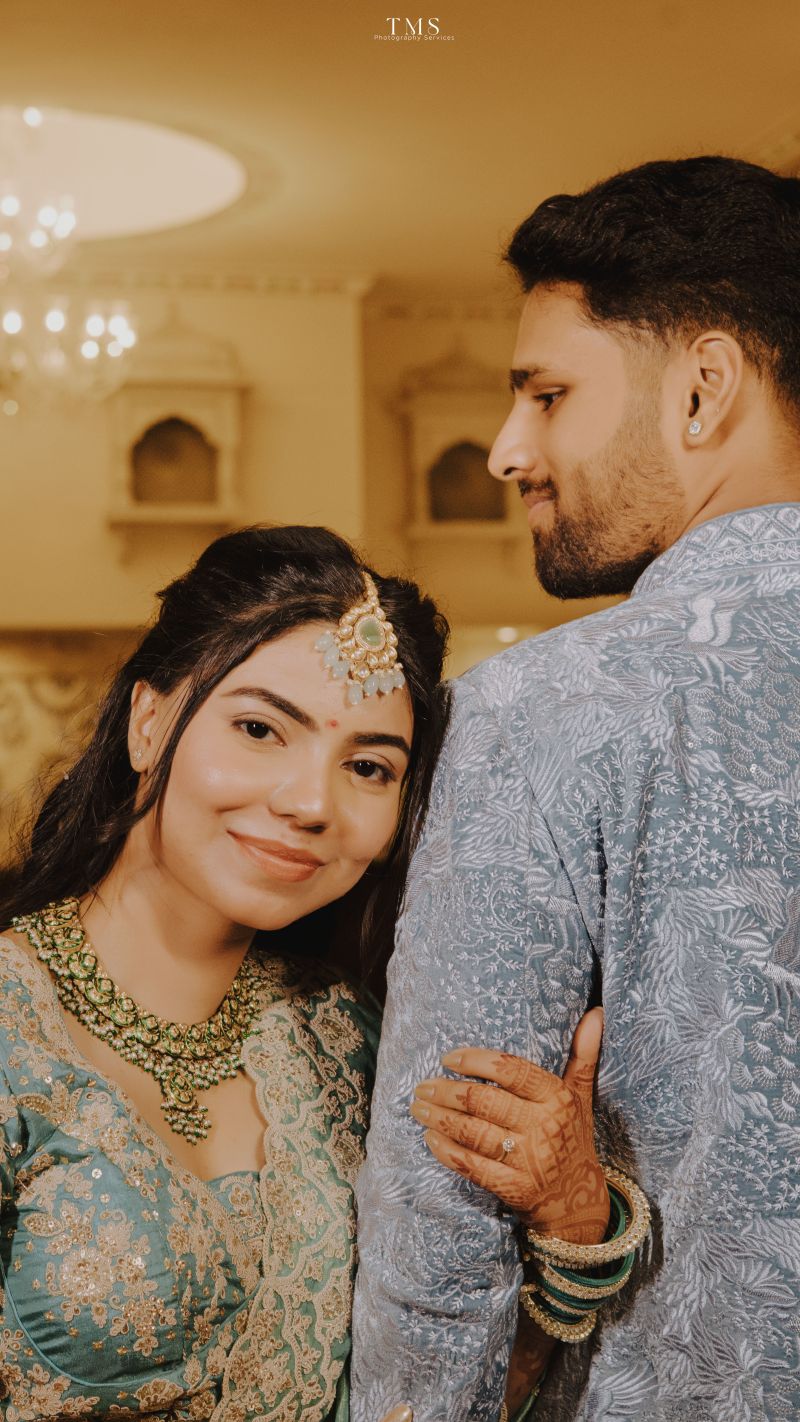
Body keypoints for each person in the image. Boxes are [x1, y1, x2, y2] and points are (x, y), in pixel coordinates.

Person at [351, 156, 800, 1422]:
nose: (506, 449)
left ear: (702, 389)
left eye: (546, 394)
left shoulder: (548, 709)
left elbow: (445, 1197)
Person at [0, 524, 611, 1421]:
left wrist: (571, 1226)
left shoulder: (351, 1039)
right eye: (260, 728)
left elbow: (434, 1388)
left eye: (368, 766)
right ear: (149, 721)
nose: (310, 803)